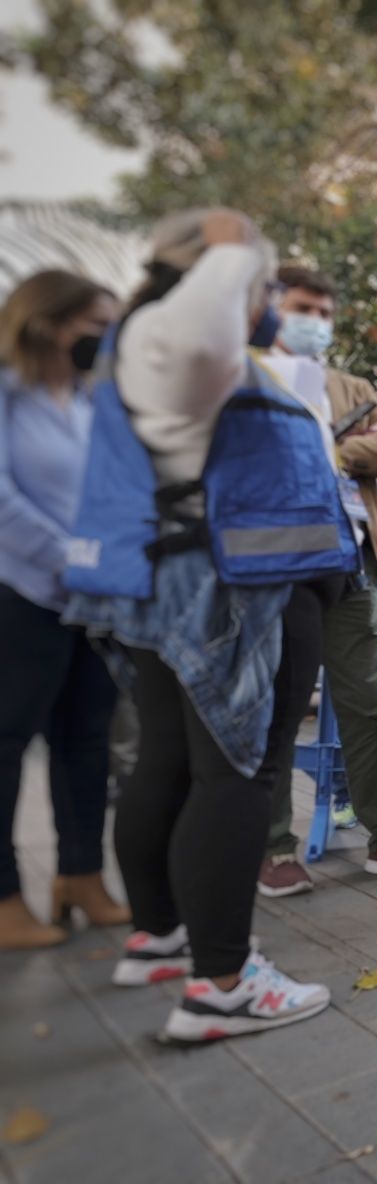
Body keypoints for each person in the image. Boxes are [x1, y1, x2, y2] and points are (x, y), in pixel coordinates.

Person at [61, 208, 343, 1039]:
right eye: (260, 284)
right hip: (229, 592)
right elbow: (201, 339)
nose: (265, 299)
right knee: (237, 776)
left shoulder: (151, 343)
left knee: (175, 766)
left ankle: (162, 937)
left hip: (199, 581)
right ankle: (222, 981)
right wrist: (233, 244)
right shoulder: (169, 336)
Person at [258, 265, 377, 897]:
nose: (317, 322)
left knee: (366, 705)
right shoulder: (243, 374)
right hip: (272, 563)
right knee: (278, 706)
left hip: (352, 562)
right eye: (305, 307)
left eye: (326, 312)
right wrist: (343, 441)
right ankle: (274, 845)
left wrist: (325, 447)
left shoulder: (348, 383)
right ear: (272, 308)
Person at [0, 269, 129, 949]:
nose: (106, 343)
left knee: (86, 741)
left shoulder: (85, 405)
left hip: (88, 599)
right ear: (48, 322)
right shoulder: (8, 393)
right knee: (6, 743)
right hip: (18, 593)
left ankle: (80, 876)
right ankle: (5, 897)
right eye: (96, 328)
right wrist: (74, 555)